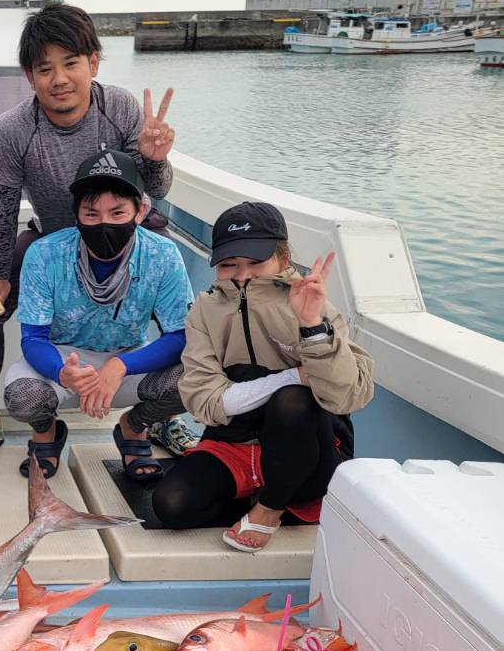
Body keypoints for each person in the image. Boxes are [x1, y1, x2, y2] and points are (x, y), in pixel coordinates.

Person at [0, 2, 181, 463]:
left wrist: (155, 158)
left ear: (93, 62)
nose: (59, 78)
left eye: (71, 63)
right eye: (45, 69)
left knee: (172, 305)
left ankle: (161, 413)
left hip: (121, 229)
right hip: (50, 239)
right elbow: (4, 208)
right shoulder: (10, 131)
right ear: (29, 76)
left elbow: (153, 189)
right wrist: (0, 273)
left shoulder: (119, 107)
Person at [154, 201, 374, 551]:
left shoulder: (313, 304)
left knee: (293, 401)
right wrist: (293, 375)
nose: (242, 275)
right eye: (229, 264)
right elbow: (205, 402)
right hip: (233, 444)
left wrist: (312, 326)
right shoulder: (204, 311)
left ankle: (270, 507)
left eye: (256, 262)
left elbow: (347, 397)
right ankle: (256, 489)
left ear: (283, 258)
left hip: (307, 453)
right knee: (171, 505)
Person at [1, 150, 195, 478]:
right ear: (76, 214)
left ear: (140, 211)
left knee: (197, 380)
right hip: (63, 359)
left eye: (118, 212)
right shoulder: (44, 253)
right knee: (23, 398)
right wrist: (63, 372)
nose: (104, 223)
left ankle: (134, 427)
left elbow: (179, 336)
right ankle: (46, 433)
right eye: (91, 214)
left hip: (129, 358)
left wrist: (121, 366)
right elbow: (33, 339)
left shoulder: (162, 254)